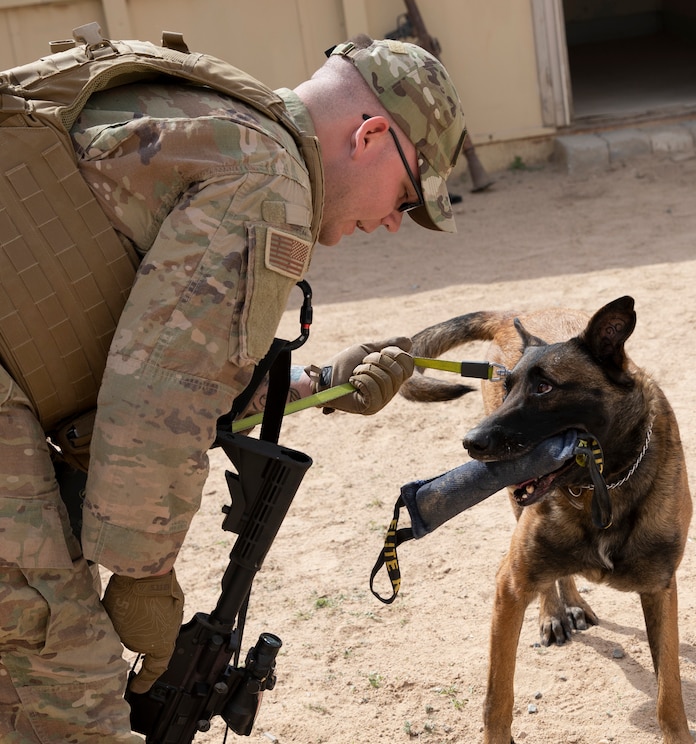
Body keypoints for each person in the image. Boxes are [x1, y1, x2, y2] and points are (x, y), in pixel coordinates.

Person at [0, 33, 466, 742]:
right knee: (71, 697)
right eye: (405, 194)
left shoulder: (211, 115)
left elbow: (161, 349)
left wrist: (317, 384)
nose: (390, 221)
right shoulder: (267, 181)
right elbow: (161, 395)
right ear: (370, 135)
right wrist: (142, 575)